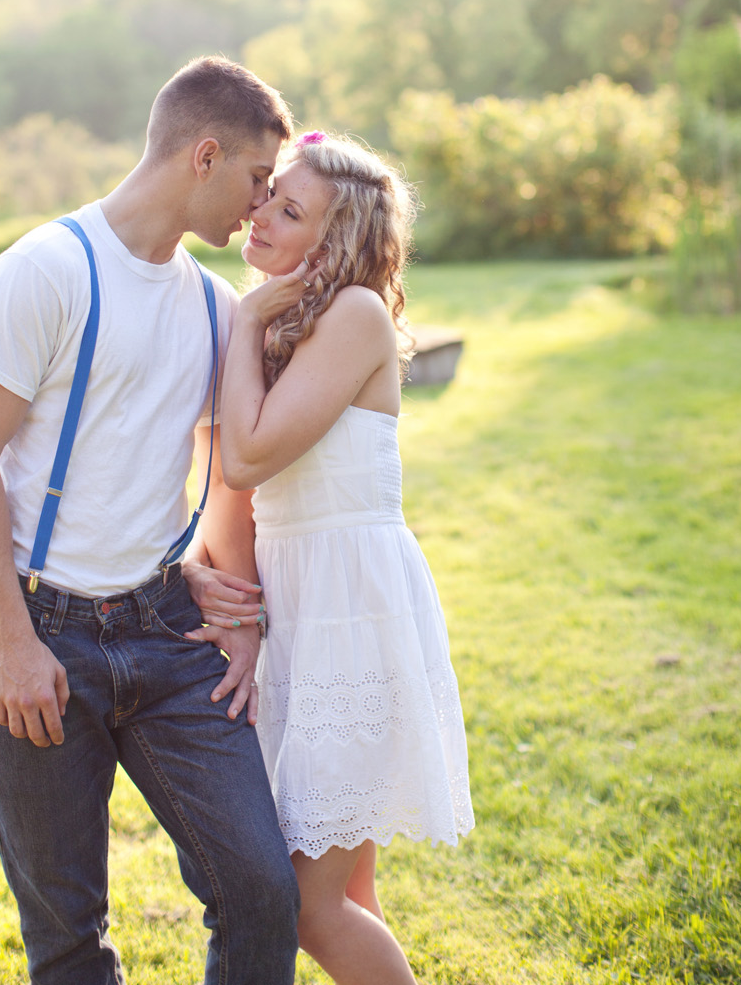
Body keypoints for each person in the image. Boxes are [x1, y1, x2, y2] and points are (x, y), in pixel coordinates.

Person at [0, 56, 300, 985]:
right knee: (67, 933)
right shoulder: (44, 271)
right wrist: (15, 647)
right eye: (259, 181)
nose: (260, 210)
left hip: (165, 629)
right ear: (205, 156)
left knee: (261, 888)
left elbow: (229, 481)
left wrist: (238, 611)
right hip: (36, 631)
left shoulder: (217, 307)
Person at [194, 131, 474, 985]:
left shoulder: (351, 315)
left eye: (290, 210)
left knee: (312, 909)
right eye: (268, 195)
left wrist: (244, 320)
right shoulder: (288, 316)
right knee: (348, 887)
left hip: (350, 613)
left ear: (337, 238)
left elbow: (246, 456)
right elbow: (219, 473)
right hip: (299, 609)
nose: (261, 216)